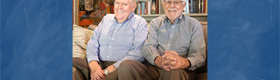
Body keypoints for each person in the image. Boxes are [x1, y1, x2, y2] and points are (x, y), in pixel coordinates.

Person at [118, 0, 206, 80]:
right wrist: (159, 60)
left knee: (172, 71)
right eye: (168, 2)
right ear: (163, 4)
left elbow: (199, 55)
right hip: (155, 68)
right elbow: (148, 47)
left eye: (177, 2)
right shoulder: (155, 23)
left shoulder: (194, 25)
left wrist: (184, 62)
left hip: (181, 70)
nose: (172, 5)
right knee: (126, 65)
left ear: (183, 5)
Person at [73, 0, 148, 80]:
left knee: (112, 75)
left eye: (124, 4)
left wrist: (109, 69)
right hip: (98, 63)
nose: (120, 7)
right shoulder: (106, 19)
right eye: (117, 3)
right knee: (71, 64)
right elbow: (93, 43)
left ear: (133, 7)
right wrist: (94, 65)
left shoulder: (140, 23)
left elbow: (138, 53)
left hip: (119, 67)